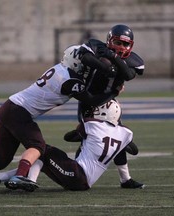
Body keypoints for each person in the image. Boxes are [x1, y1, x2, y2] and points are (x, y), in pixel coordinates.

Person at [0, 46, 119, 193]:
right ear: (75, 62)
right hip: (18, 111)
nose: (85, 67)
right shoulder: (70, 80)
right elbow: (91, 100)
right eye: (83, 63)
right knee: (38, 147)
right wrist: (114, 91)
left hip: (10, 107)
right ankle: (20, 176)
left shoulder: (61, 69)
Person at [0, 100, 145, 191]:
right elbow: (132, 150)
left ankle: (26, 182)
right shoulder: (125, 133)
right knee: (44, 160)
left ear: (103, 112)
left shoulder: (91, 125)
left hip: (78, 175)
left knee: (42, 150)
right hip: (82, 178)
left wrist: (85, 133)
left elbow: (68, 137)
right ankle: (0, 177)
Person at [64, 24, 145, 188]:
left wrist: (114, 58)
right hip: (90, 100)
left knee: (118, 138)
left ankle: (125, 179)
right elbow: (86, 58)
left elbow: (129, 75)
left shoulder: (133, 60)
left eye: (125, 44)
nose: (121, 47)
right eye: (118, 42)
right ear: (109, 40)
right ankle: (74, 173)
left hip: (109, 101)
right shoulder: (97, 47)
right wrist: (106, 66)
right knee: (88, 142)